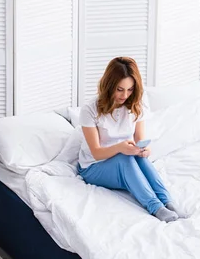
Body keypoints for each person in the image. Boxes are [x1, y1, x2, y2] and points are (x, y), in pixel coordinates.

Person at [78, 56, 184, 222]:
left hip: (124, 155)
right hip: (93, 166)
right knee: (125, 159)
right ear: (109, 85)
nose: (125, 95)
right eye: (120, 89)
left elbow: (140, 138)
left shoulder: (136, 104)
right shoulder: (90, 109)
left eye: (130, 89)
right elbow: (96, 153)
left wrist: (144, 150)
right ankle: (155, 207)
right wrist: (121, 148)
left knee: (138, 159)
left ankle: (167, 201)